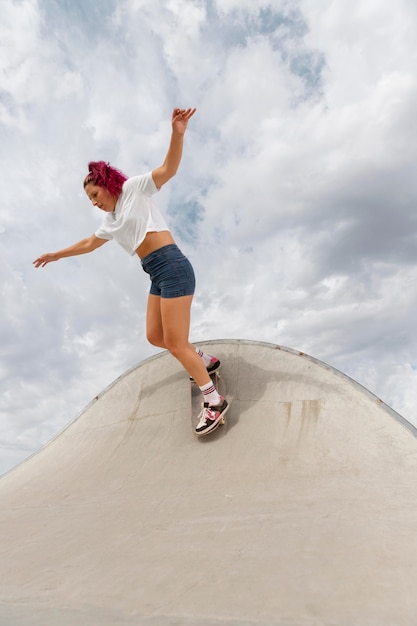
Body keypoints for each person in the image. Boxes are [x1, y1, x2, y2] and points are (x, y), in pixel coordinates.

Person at [33, 107, 228, 436]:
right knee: (156, 336)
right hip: (156, 273)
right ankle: (205, 361)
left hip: (172, 265)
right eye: (90, 200)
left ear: (108, 185)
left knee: (176, 343)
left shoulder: (135, 189)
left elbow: (168, 169)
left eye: (95, 195)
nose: (94, 203)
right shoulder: (109, 221)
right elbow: (89, 243)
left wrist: (177, 133)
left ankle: (214, 401)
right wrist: (56, 254)